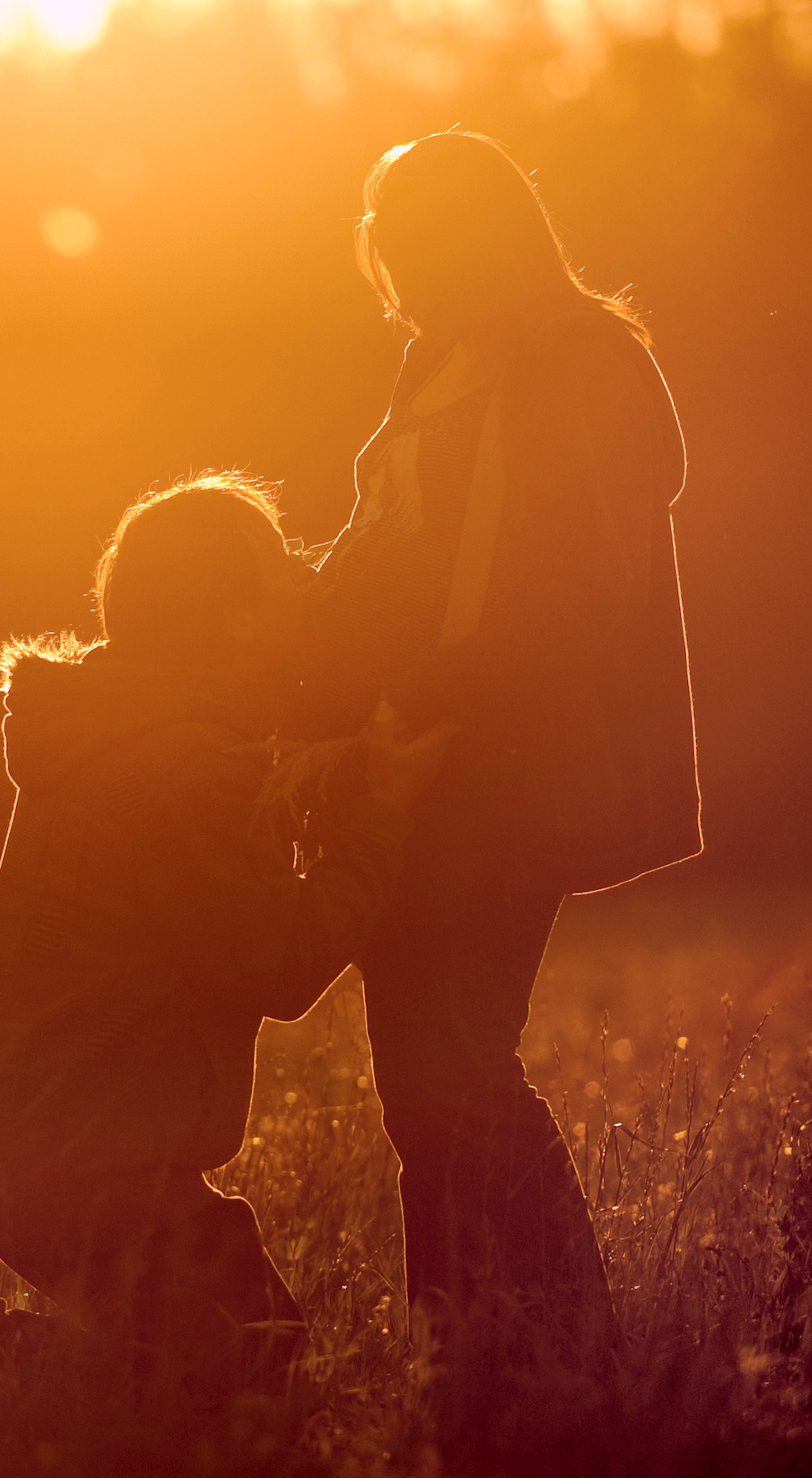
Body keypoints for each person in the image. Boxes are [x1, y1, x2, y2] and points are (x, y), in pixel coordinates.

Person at [298, 131, 701, 1326]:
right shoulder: (432, 360)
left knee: (455, 1064)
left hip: (506, 759)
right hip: (404, 758)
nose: (399, 266)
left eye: (422, 240)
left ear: (487, 237)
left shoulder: (588, 363)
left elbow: (589, 583)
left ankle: (553, 1335)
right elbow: (385, 539)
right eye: (386, 241)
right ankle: (466, 1342)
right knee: (420, 1082)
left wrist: (436, 683)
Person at [0, 473, 445, 1392]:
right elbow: (282, 966)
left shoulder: (132, 727)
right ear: (236, 622)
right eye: (281, 573)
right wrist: (384, 812)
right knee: (225, 1371)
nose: (305, 583)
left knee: (258, 1346)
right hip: (75, 1158)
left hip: (47, 1137)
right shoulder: (178, 769)